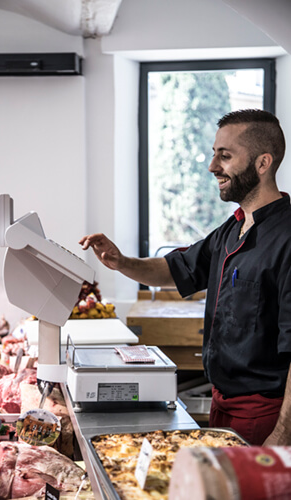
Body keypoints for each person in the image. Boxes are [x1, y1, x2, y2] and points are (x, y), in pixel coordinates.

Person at [79, 109, 291, 445]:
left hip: (265, 415)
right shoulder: (232, 229)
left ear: (262, 164)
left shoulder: (286, 238)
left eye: (225, 156)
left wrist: (282, 434)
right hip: (224, 404)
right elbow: (175, 269)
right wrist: (122, 262)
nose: (212, 167)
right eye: (213, 154)